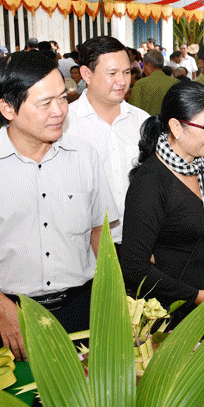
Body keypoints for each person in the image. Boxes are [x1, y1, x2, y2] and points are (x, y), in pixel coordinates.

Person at [0, 51, 118, 358]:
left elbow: (99, 232)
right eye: (45, 103)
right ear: (8, 107)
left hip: (82, 309)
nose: (59, 111)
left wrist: (110, 296)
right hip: (7, 313)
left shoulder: (85, 156)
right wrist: (3, 309)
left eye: (62, 98)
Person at [121, 81, 204, 327]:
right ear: (176, 126)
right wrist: (193, 296)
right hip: (170, 312)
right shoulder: (150, 183)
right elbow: (133, 266)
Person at [64, 35, 149, 249]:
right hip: (83, 246)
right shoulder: (64, 125)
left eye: (127, 72)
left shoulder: (142, 121)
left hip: (138, 244)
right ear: (86, 74)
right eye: (112, 73)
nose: (122, 81)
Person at [128, 49, 179, 116]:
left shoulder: (141, 84)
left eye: (144, 66)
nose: (143, 70)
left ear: (149, 66)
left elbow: (134, 110)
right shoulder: (176, 83)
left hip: (148, 125)